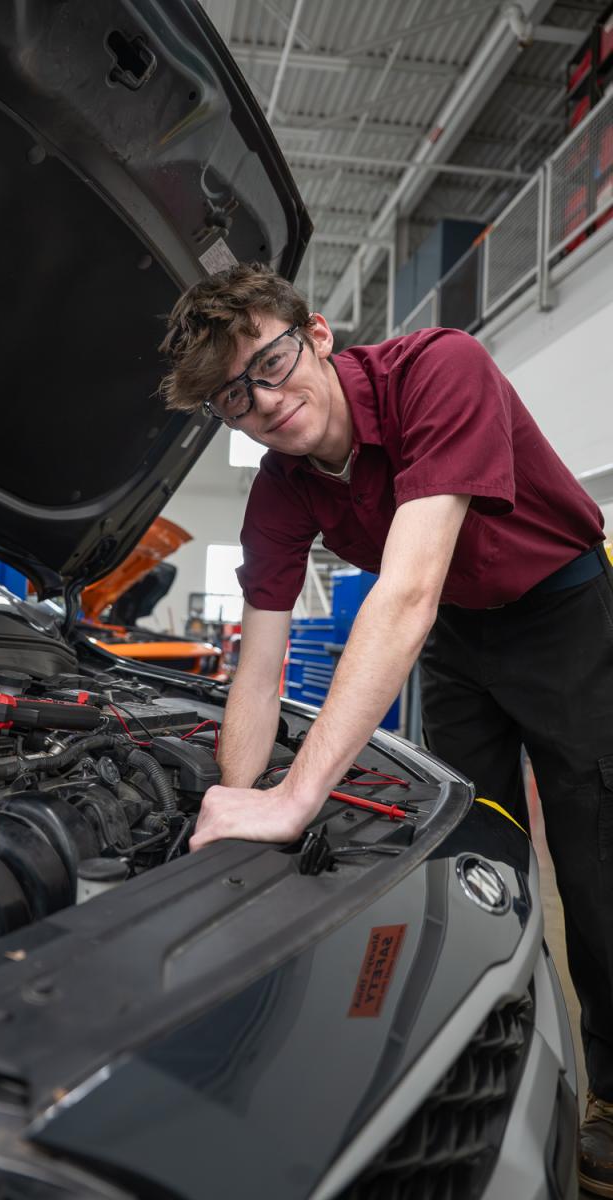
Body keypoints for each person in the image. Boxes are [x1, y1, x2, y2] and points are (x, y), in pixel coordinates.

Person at [158, 262, 613, 1195]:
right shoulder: (281, 490)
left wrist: (296, 798)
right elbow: (260, 659)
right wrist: (234, 804)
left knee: (596, 863)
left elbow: (404, 590)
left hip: (565, 614)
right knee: (474, 860)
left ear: (318, 333)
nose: (266, 401)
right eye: (237, 399)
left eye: (273, 362)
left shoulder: (440, 369)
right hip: (460, 638)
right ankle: (498, 1055)